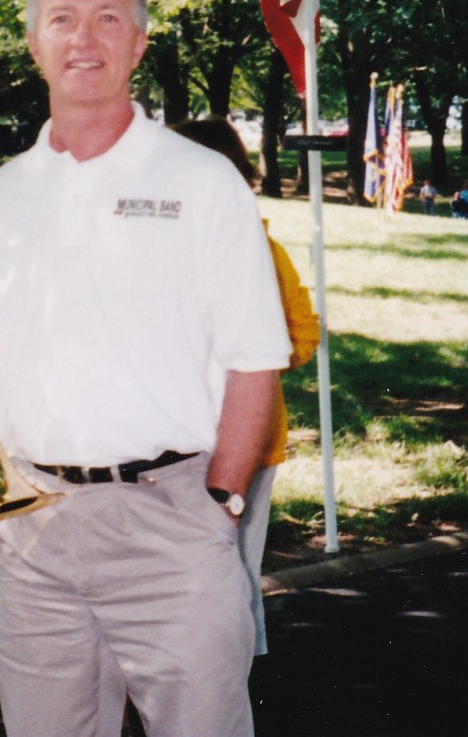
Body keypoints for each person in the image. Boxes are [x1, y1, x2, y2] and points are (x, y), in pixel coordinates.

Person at [0, 0, 291, 737]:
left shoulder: (203, 184)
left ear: (138, 41)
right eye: (62, 19)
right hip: (34, 532)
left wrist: (221, 508)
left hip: (174, 522)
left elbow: (254, 363)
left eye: (106, 18)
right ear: (33, 42)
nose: (84, 38)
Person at [171, 117, 320, 658]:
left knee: (233, 563)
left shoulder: (263, 250)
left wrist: (254, 367)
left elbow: (305, 332)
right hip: (176, 443)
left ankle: (238, 674)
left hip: (250, 440)